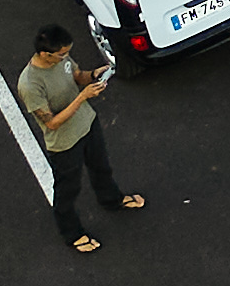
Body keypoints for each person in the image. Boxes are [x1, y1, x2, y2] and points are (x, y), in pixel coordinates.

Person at [16, 25, 145, 253]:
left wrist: (94, 75)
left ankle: (111, 199)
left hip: (88, 124)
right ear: (46, 54)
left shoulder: (61, 59)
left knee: (101, 168)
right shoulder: (30, 85)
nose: (66, 57)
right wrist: (83, 97)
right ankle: (71, 233)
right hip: (64, 143)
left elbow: (77, 76)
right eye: (62, 54)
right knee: (68, 190)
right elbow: (52, 123)